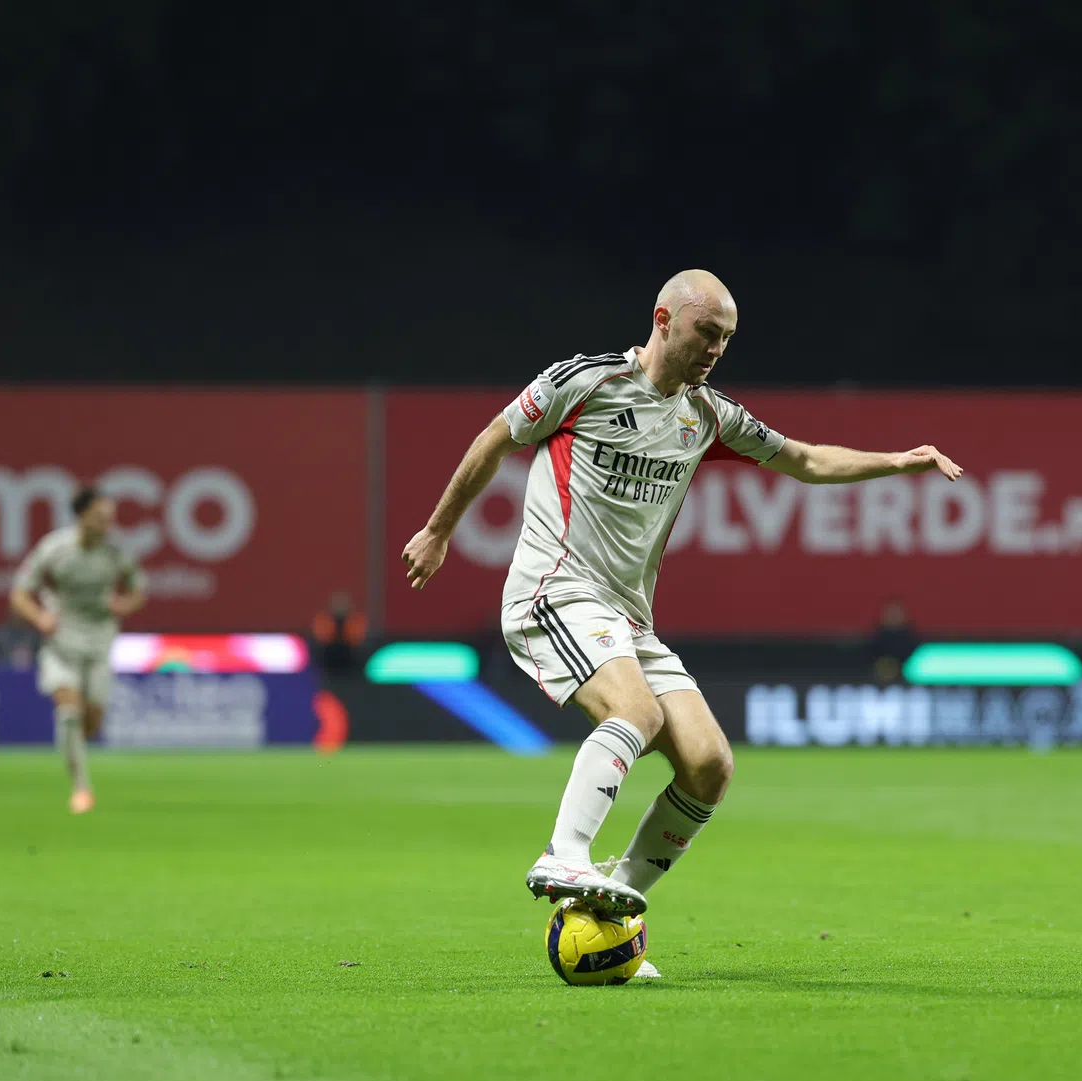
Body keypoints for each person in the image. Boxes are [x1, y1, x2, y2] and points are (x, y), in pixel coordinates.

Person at [400, 269, 963, 971]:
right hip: (556, 590)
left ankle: (610, 917)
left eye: (726, 340)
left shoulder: (708, 415)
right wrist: (438, 530)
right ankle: (564, 854)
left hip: (628, 620)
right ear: (663, 319)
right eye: (706, 333)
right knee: (637, 713)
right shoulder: (586, 382)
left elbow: (806, 459)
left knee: (708, 766)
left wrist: (897, 462)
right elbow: (495, 437)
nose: (715, 350)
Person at [8, 485, 147, 813]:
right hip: (61, 642)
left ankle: (75, 750)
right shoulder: (54, 549)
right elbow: (19, 592)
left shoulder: (116, 554)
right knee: (69, 712)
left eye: (110, 518)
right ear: (82, 517)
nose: (107, 524)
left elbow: (138, 590)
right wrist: (39, 617)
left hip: (99, 642)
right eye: (100, 517)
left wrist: (123, 605)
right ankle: (82, 789)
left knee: (92, 720)